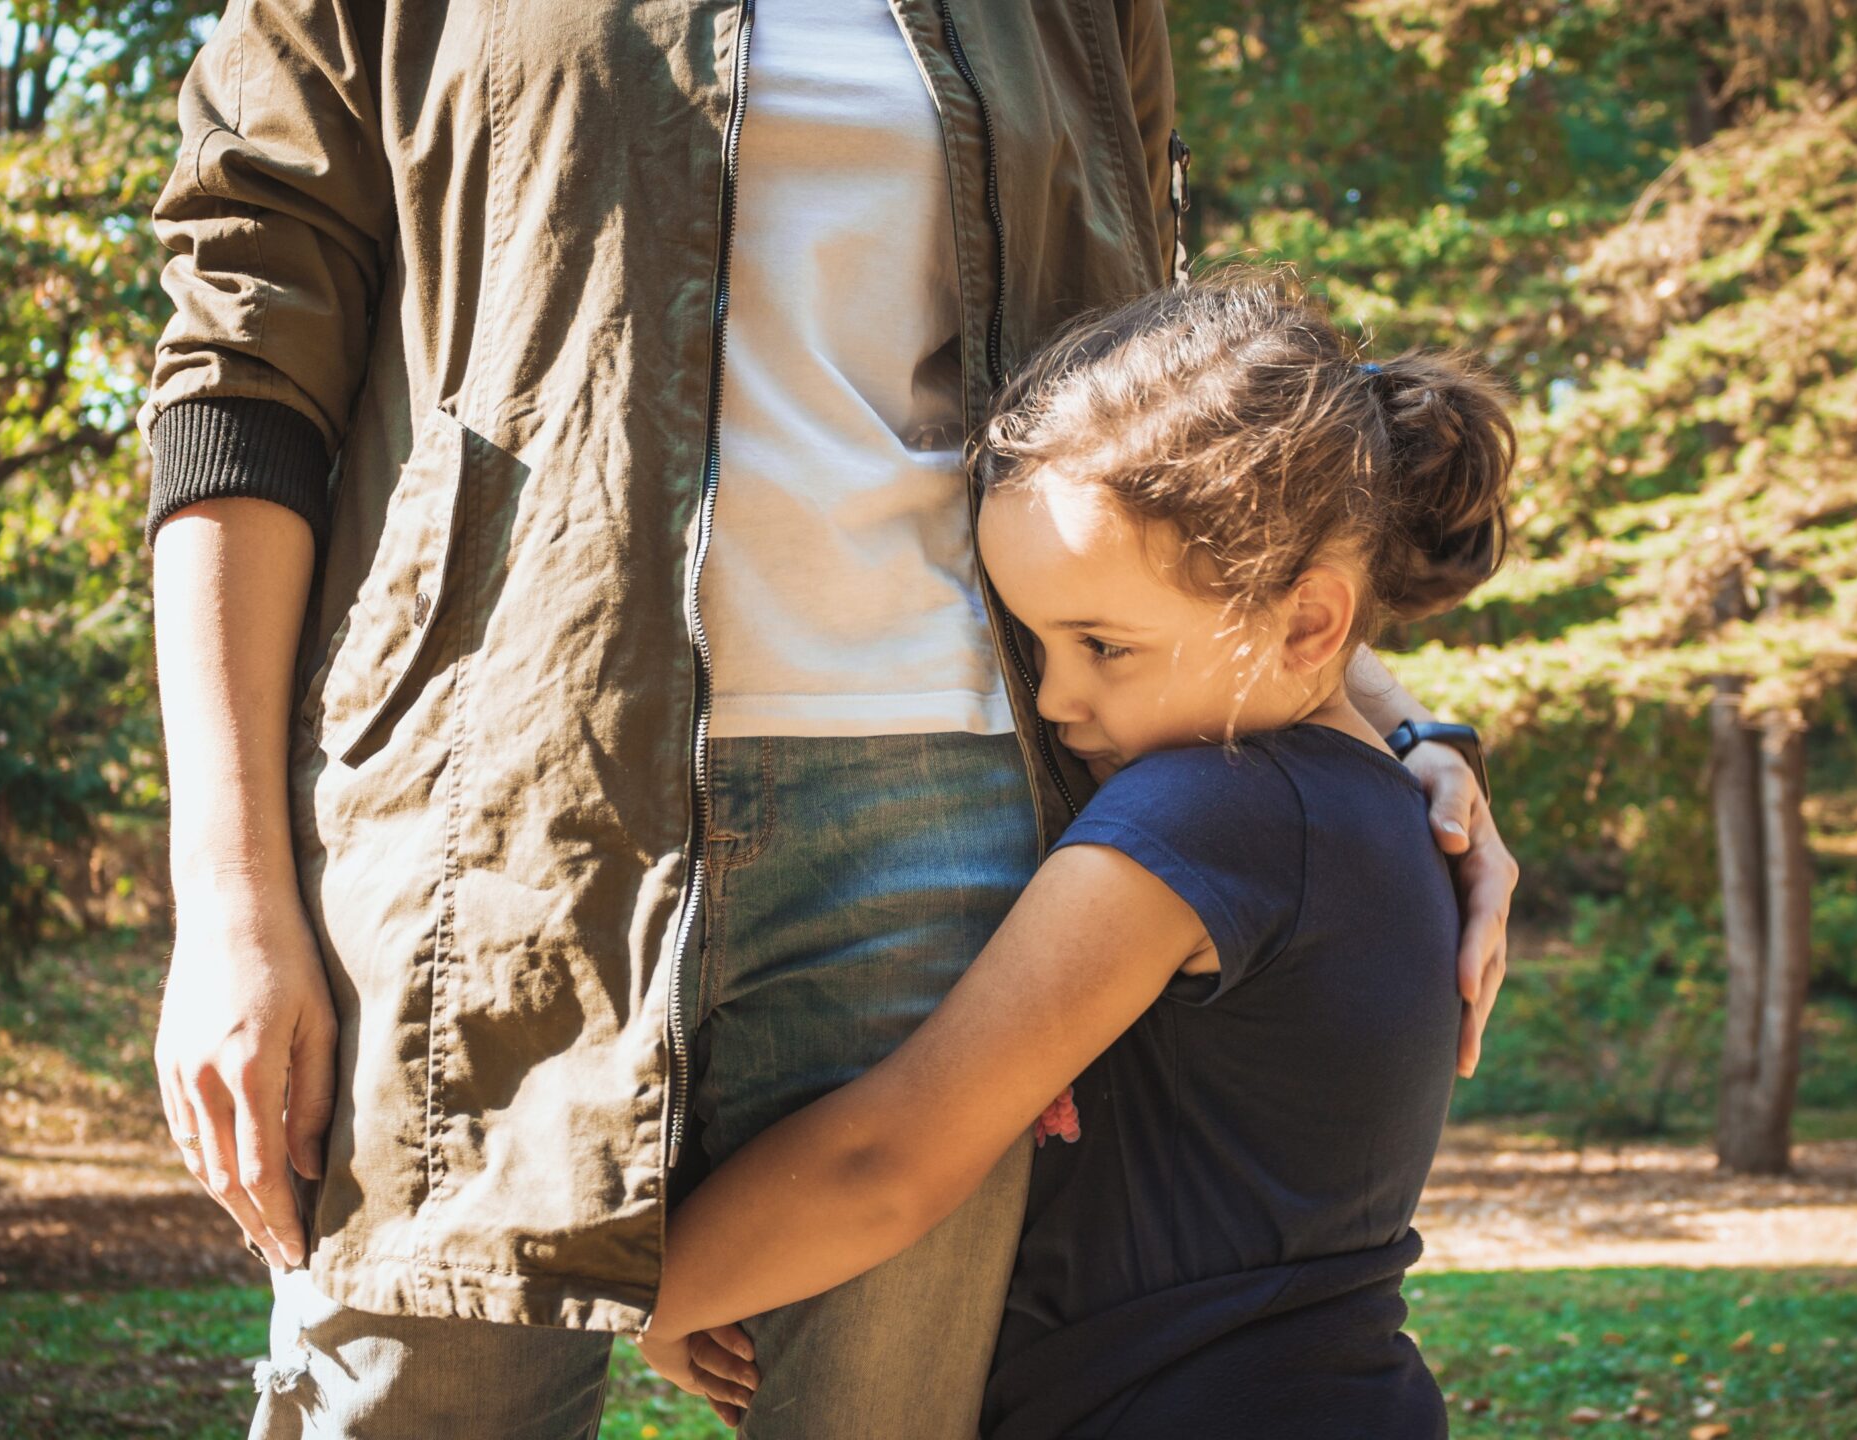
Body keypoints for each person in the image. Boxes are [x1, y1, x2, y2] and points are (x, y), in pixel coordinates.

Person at [140, 3, 1520, 1437]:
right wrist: (229, 895)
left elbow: (1175, 444)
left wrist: (1386, 733)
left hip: (955, 832)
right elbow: (243, 363)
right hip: (492, 824)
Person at [638, 267, 1510, 1438]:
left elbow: (886, 1162)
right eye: (1036, 642)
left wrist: (652, 1292)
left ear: (1309, 625)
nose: (1056, 700)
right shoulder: (1366, 811)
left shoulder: (1213, 813)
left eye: (1104, 644)